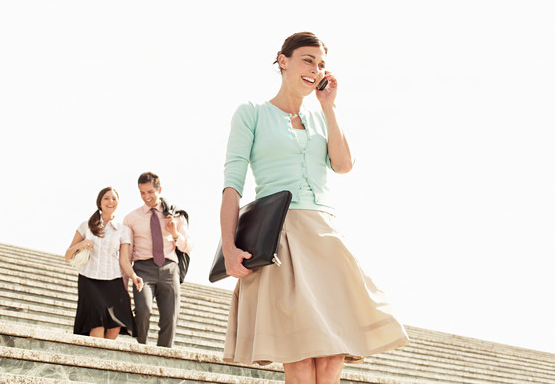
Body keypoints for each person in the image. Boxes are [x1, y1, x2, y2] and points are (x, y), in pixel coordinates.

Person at [220, 32, 409, 383]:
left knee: (332, 355)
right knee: (301, 356)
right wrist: (229, 248)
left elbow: (343, 164)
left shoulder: (322, 116)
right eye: (308, 60)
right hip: (281, 236)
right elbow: (232, 185)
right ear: (283, 60)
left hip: (325, 233)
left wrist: (329, 107)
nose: (315, 68)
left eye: (321, 63)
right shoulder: (252, 114)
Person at [123, 171, 192, 347]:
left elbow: (188, 247)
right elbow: (127, 254)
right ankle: (140, 349)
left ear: (159, 189)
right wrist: (124, 283)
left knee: (170, 316)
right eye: (142, 192)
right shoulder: (131, 218)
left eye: (150, 192)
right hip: (142, 269)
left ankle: (164, 356)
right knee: (143, 310)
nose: (146, 197)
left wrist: (174, 233)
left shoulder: (176, 215)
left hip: (169, 269)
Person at [65, 186, 144, 339]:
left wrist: (134, 276)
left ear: (118, 203)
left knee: (115, 326)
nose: (110, 201)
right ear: (99, 203)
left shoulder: (123, 230)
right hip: (89, 280)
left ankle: (103, 359)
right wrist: (82, 244)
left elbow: (124, 260)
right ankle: (94, 360)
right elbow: (68, 255)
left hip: (112, 281)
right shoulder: (86, 226)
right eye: (106, 198)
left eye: (114, 198)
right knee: (97, 325)